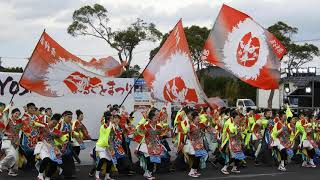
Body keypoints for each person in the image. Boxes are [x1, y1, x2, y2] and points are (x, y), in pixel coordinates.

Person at [136, 108, 169, 180]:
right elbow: (138, 130)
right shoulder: (146, 126)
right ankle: (148, 173)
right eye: (155, 118)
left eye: (157, 117)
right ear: (150, 119)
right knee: (149, 159)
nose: (156, 119)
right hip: (146, 145)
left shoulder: (158, 126)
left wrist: (164, 130)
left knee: (153, 160)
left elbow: (162, 133)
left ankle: (148, 173)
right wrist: (144, 120)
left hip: (154, 145)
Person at [35, 114, 63, 180]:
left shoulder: (57, 131)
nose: (54, 124)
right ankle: (40, 174)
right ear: (50, 120)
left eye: (56, 124)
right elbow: (34, 123)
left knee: (54, 164)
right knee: (46, 159)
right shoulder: (43, 126)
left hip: (51, 147)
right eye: (53, 122)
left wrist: (63, 143)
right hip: (42, 145)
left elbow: (61, 139)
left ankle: (48, 177)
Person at [0, 108, 22, 176]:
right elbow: (3, 130)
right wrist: (8, 108)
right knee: (11, 155)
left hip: (16, 141)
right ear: (12, 113)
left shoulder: (20, 122)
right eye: (16, 113)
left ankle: (12, 171)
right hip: (8, 140)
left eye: (18, 114)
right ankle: (1, 164)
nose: (17, 115)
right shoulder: (7, 120)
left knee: (16, 158)